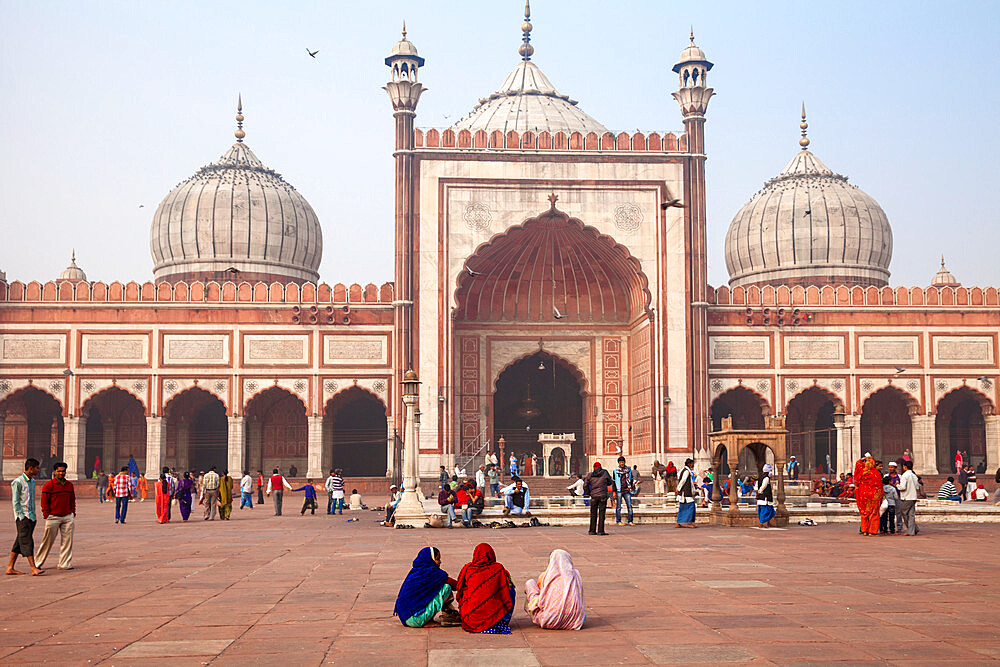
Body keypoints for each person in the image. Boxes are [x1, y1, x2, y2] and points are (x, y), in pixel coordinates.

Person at [456, 543, 515, 634]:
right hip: (494, 620)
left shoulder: (468, 569)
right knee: (510, 589)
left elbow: (459, 590)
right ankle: (502, 620)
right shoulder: (498, 569)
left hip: (470, 620)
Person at [394, 546, 461, 627]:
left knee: (435, 590)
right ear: (430, 560)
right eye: (437, 559)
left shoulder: (415, 571)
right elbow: (454, 585)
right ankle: (447, 614)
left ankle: (448, 613)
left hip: (405, 618)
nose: (440, 562)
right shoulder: (433, 573)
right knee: (446, 588)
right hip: (416, 619)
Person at [524, 549, 585, 630]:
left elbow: (541, 601)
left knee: (530, 583)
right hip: (574, 620)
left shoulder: (546, 576)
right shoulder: (575, 575)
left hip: (549, 620)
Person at [35, 461, 75, 571]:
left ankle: (64, 563)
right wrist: (46, 514)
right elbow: (44, 502)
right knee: (47, 541)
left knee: (67, 541)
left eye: (63, 471)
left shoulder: (69, 485)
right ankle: (37, 563)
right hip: (53, 516)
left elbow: (72, 500)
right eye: (59, 471)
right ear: (54, 472)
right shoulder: (49, 485)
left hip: (67, 516)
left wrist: (73, 512)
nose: (61, 473)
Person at [7, 458, 44, 576]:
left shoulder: (32, 482)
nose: (38, 470)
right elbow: (15, 502)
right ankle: (33, 567)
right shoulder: (18, 482)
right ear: (30, 468)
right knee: (27, 541)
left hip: (31, 516)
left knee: (19, 541)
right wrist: (21, 516)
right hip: (23, 517)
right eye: (37, 468)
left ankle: (10, 567)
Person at [854, 455, 885, 536]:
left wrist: (863, 459)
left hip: (863, 496)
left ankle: (864, 530)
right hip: (874, 496)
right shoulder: (876, 473)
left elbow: (857, 465)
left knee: (864, 513)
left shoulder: (862, 472)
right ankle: (872, 531)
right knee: (874, 513)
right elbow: (879, 486)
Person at [584, 462, 613, 535]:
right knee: (601, 514)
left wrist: (589, 493)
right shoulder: (605, 473)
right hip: (602, 495)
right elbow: (610, 482)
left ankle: (592, 531)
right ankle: (600, 531)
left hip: (594, 496)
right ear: (600, 467)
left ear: (594, 468)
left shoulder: (590, 475)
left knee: (593, 514)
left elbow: (585, 485)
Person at [897, 460, 919, 535]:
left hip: (907, 497)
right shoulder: (914, 475)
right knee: (911, 514)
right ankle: (913, 529)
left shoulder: (905, 475)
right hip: (913, 496)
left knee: (904, 512)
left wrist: (897, 485)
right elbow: (917, 487)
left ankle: (912, 529)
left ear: (905, 467)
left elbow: (902, 487)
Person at [612, 456, 634, 526]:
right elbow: (614, 482)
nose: (622, 463)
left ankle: (630, 521)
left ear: (624, 462)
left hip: (626, 490)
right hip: (619, 490)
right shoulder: (615, 471)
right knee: (618, 507)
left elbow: (631, 480)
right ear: (618, 463)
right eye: (620, 462)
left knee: (629, 505)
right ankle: (618, 521)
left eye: (623, 462)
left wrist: (630, 487)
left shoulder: (629, 470)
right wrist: (614, 491)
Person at [675, 458, 697, 528]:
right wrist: (678, 489)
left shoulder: (685, 470)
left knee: (683, 508)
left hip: (685, 493)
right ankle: (689, 523)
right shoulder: (686, 471)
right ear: (689, 464)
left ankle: (678, 522)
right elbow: (683, 480)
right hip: (686, 493)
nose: (693, 465)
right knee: (691, 507)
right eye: (692, 463)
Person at [756, 464, 776, 528]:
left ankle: (768, 523)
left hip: (762, 498)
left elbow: (756, 487)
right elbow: (763, 486)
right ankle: (761, 524)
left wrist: (757, 492)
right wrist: (759, 492)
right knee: (765, 512)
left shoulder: (760, 477)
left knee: (769, 511)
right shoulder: (766, 478)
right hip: (765, 498)